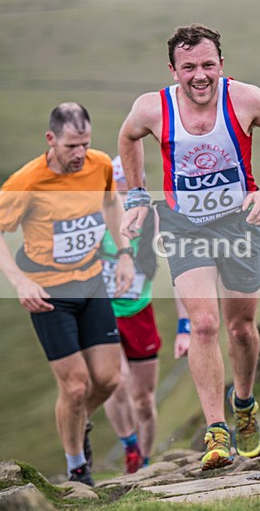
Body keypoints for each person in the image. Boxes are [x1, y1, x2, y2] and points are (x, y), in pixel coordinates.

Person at [117, 24, 260, 470]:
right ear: (173, 70)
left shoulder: (246, 99)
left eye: (208, 65)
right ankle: (216, 431)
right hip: (184, 225)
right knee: (202, 324)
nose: (200, 76)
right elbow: (127, 138)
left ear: (222, 64)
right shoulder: (151, 108)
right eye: (189, 67)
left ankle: (244, 404)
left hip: (240, 223)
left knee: (240, 330)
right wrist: (138, 196)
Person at [0, 103, 133, 485]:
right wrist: (19, 281)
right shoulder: (26, 181)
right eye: (71, 146)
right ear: (51, 140)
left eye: (85, 143)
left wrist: (126, 253)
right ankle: (76, 467)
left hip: (91, 280)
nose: (79, 153)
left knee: (109, 379)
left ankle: (78, 421)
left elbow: (111, 201)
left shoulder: (98, 164)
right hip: (48, 292)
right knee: (75, 385)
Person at [100, 156, 191, 473]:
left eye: (130, 192)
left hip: (140, 313)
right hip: (103, 315)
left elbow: (180, 276)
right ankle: (129, 449)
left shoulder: (156, 221)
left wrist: (184, 327)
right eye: (117, 193)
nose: (124, 201)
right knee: (117, 382)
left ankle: (146, 463)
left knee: (144, 400)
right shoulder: (96, 219)